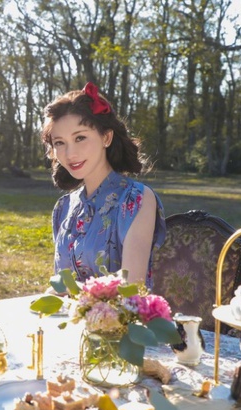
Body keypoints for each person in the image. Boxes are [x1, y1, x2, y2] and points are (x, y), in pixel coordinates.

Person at [42, 83, 166, 288]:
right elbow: (60, 284)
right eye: (59, 143)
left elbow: (132, 287)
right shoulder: (63, 208)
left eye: (80, 138)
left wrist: (76, 296)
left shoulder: (136, 199)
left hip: (123, 309)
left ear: (106, 137)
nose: (70, 154)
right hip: (68, 310)